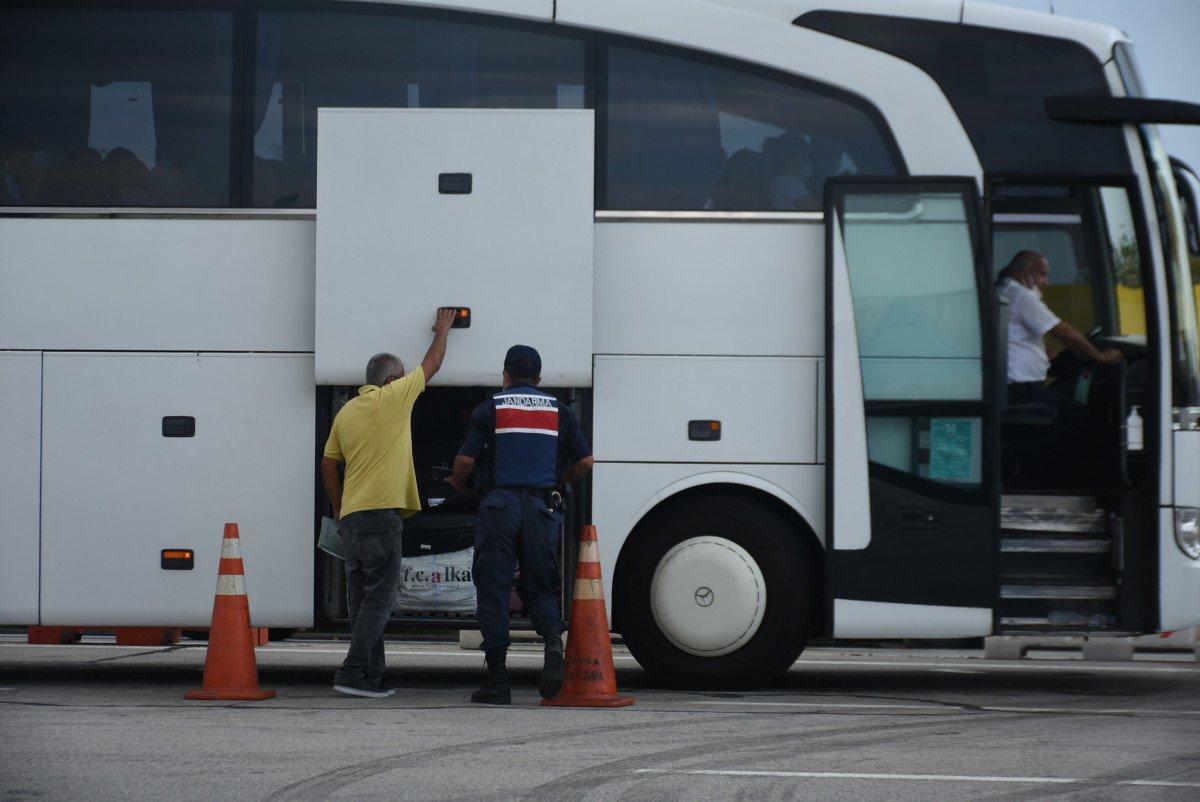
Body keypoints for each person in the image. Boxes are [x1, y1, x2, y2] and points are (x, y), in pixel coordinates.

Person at [321, 308, 457, 698]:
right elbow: (432, 364)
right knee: (380, 599)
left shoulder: (346, 412)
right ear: (392, 380)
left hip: (351, 520)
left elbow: (328, 464)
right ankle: (352, 672)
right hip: (381, 518)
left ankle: (371, 676)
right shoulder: (393, 397)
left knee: (363, 601)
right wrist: (443, 329)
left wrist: (338, 507)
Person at [448, 345, 595, 705]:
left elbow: (466, 460)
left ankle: (498, 680)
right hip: (542, 508)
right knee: (540, 587)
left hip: (500, 507)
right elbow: (586, 462)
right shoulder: (560, 411)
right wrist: (559, 483)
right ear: (539, 378)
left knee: (494, 588)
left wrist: (459, 484)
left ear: (506, 375)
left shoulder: (491, 408)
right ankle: (552, 645)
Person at [999, 249, 1122, 418]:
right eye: (1042, 274)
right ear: (1024, 273)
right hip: (1021, 392)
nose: (1047, 282)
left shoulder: (1005, 289)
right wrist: (1100, 356)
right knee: (1084, 417)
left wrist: (1040, 354)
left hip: (1013, 389)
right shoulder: (1020, 295)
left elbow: (1013, 338)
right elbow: (1064, 332)